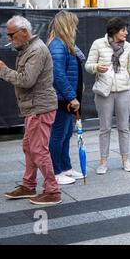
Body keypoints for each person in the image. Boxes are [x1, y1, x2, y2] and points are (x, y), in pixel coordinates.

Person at [0, 15, 61, 205]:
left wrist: (3, 70)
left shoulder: (36, 50)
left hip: (40, 107)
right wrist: (1, 71)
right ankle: (28, 185)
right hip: (34, 107)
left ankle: (53, 191)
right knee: (30, 148)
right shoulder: (28, 49)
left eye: (11, 35)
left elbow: (26, 80)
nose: (9, 39)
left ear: (24, 32)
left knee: (38, 150)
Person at [85, 17, 130, 175]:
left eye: (126, 29)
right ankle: (103, 161)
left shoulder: (128, 46)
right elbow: (88, 66)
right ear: (114, 31)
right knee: (104, 128)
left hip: (124, 90)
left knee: (124, 127)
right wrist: (97, 67)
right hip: (105, 91)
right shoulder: (98, 44)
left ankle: (125, 159)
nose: (126, 32)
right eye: (123, 30)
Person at [47, 11, 86, 185]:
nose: (75, 28)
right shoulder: (57, 45)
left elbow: (79, 60)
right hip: (61, 99)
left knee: (66, 134)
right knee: (58, 135)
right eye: (73, 24)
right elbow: (58, 74)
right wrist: (71, 96)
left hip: (67, 98)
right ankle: (55, 172)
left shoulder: (66, 44)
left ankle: (66, 168)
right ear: (66, 25)